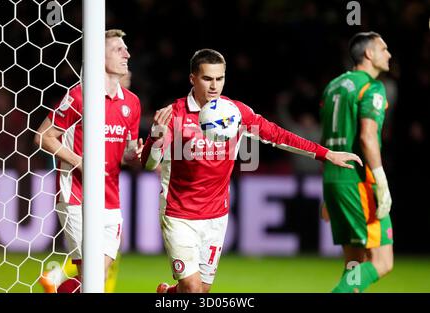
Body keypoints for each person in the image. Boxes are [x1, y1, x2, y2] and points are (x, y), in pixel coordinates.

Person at [141, 48, 362, 293]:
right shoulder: (174, 115)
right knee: (192, 289)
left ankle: (166, 294)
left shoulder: (235, 113)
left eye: (220, 78)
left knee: (200, 291)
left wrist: (326, 154)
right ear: (192, 78)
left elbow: (278, 136)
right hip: (179, 213)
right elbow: (149, 164)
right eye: (207, 78)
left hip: (216, 216)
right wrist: (155, 137)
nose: (214, 86)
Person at [34, 29, 142, 293]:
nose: (127, 54)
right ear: (98, 56)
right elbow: (43, 137)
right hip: (77, 197)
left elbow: (128, 154)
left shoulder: (132, 103)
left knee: (97, 278)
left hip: (110, 200)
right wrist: (80, 162)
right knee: (93, 280)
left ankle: (58, 286)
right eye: (118, 49)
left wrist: (138, 155)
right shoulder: (79, 96)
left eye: (126, 48)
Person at [320, 32, 393, 293]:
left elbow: (326, 140)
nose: (389, 54)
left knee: (354, 264)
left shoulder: (333, 87)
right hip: (359, 183)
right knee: (382, 262)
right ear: (369, 54)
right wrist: (381, 180)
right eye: (383, 49)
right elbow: (367, 136)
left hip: (334, 180)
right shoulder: (371, 87)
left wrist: (327, 194)